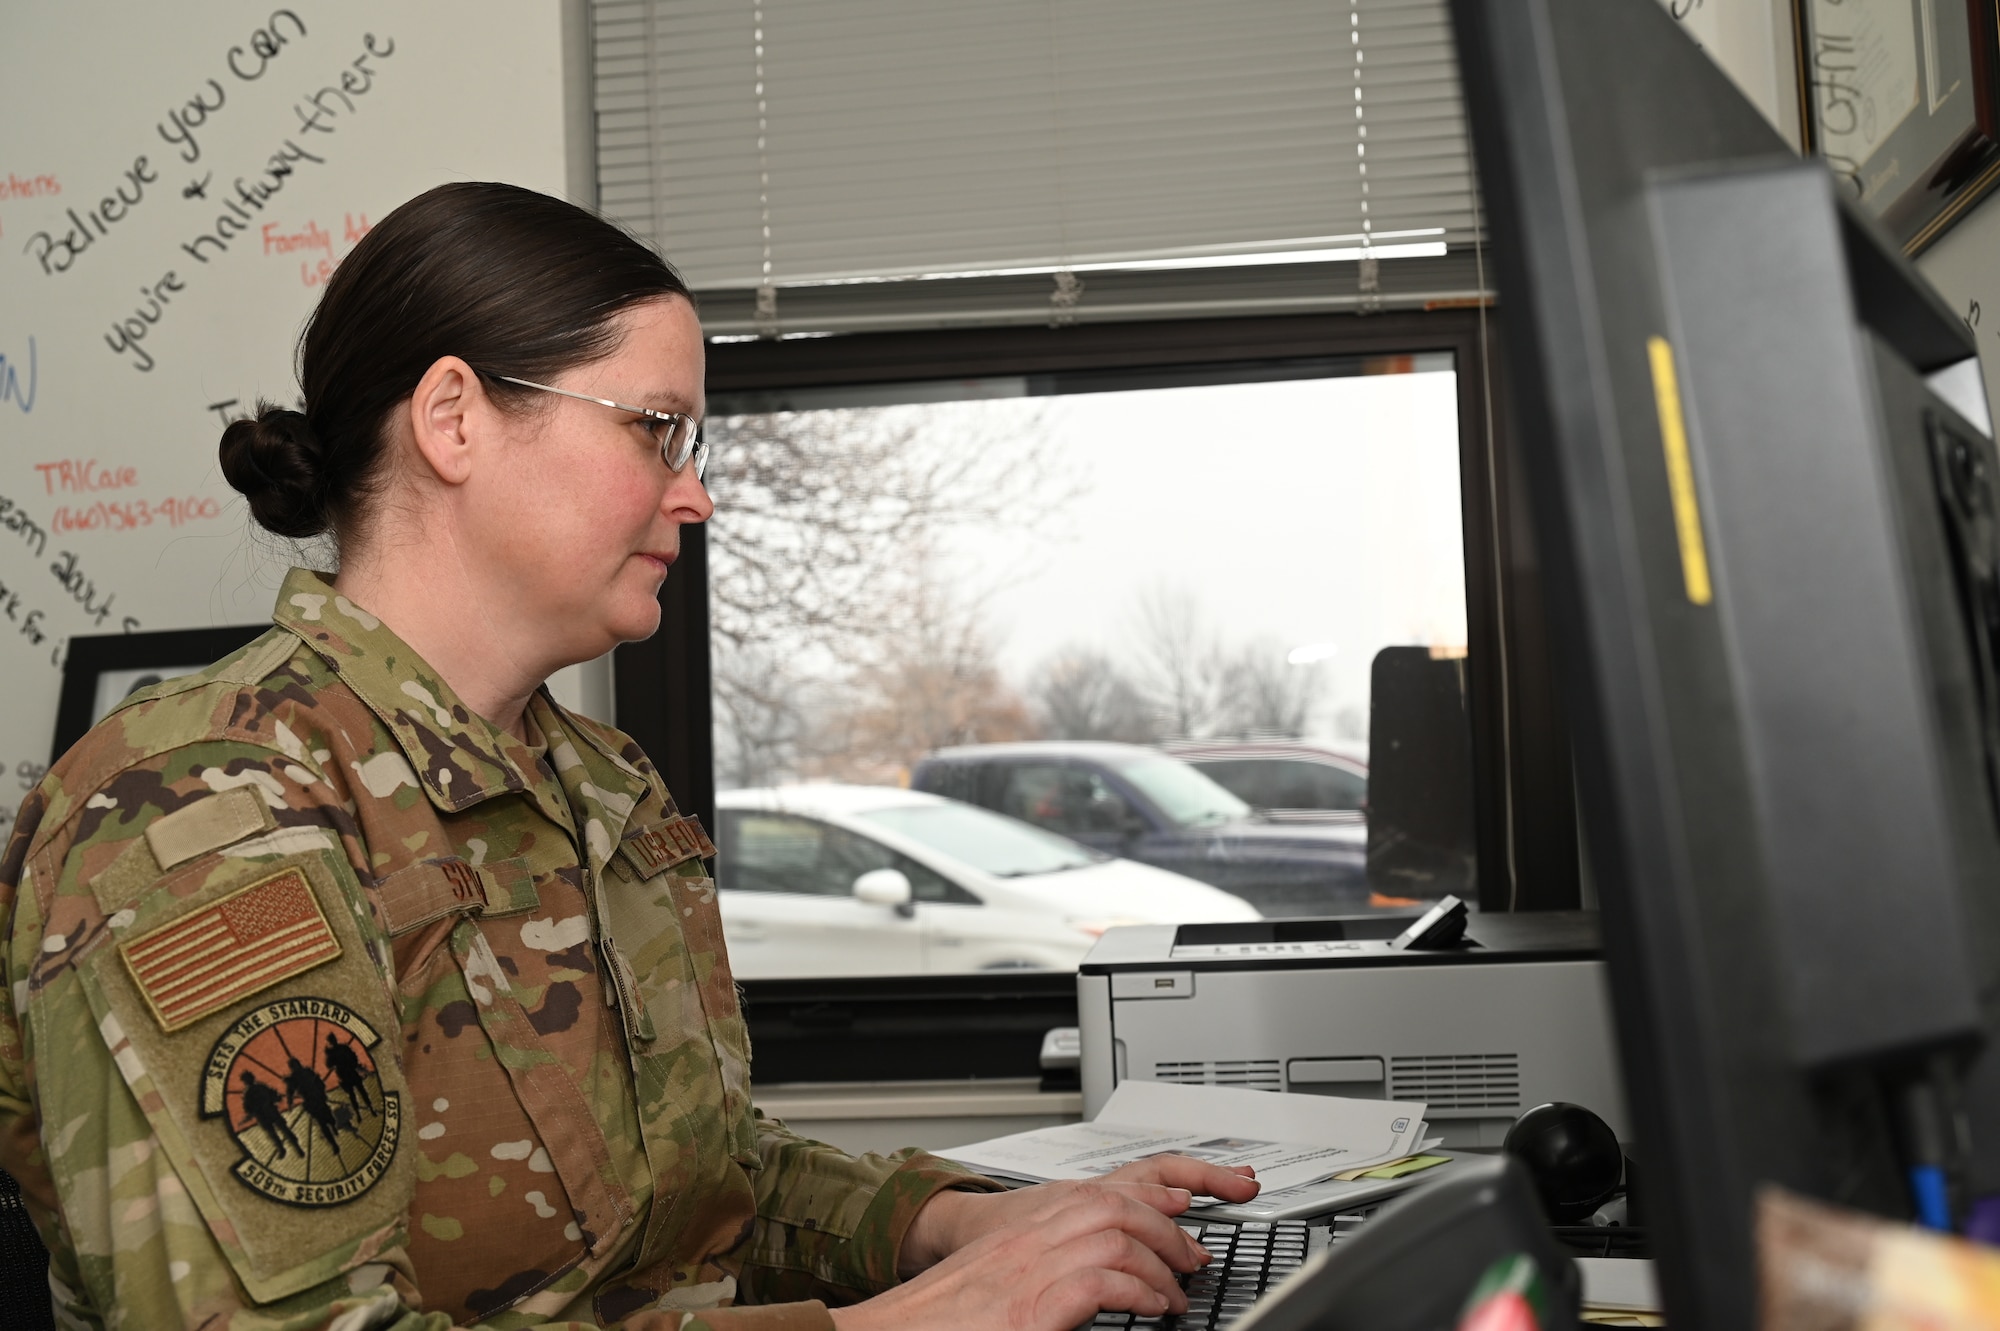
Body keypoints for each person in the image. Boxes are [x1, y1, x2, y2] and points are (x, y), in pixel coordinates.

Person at [0, 182, 1257, 1329]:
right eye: (657, 429)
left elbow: (704, 1189)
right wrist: (917, 1319)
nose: (695, 493)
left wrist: (966, 1221)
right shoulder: (201, 810)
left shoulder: (599, 784)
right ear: (453, 418)